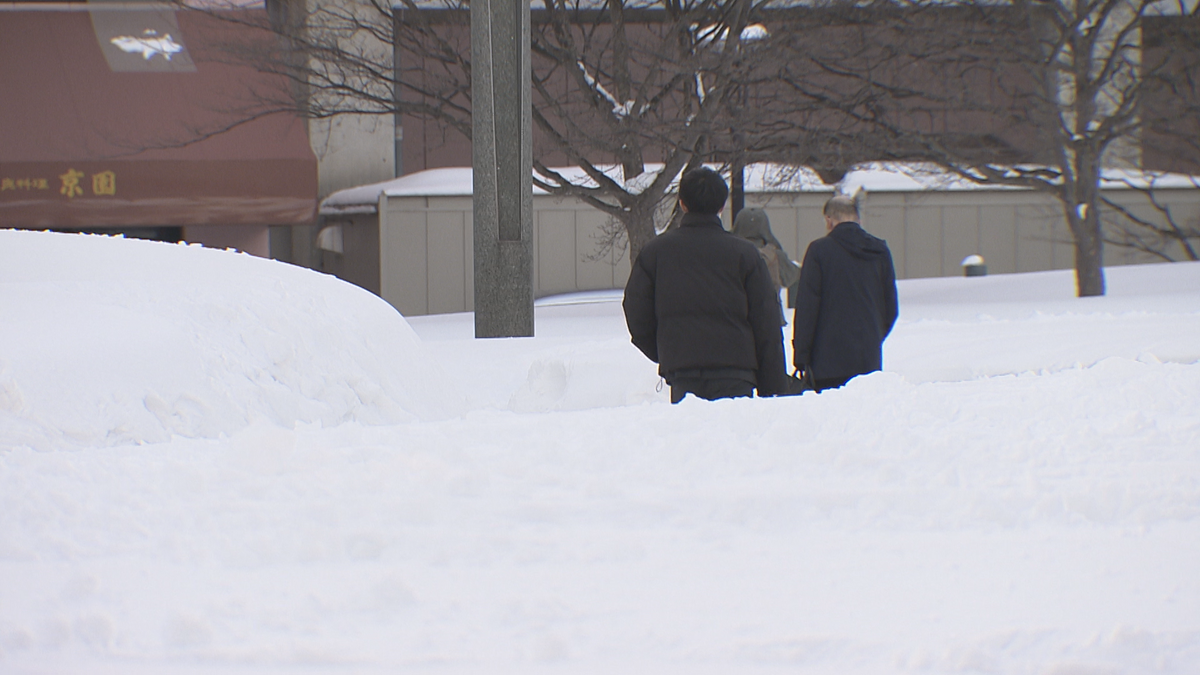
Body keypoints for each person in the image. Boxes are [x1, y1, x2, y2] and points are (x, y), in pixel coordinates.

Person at [623, 168, 791, 403]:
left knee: (691, 436)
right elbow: (766, 320)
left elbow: (636, 309)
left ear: (682, 204)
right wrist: (773, 386)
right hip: (737, 371)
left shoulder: (656, 253)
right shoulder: (745, 254)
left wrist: (665, 349)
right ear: (722, 206)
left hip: (683, 369)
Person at [792, 194, 898, 391]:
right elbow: (890, 307)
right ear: (858, 219)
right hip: (868, 360)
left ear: (829, 220)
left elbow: (808, 306)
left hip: (826, 362)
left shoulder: (819, 251)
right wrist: (872, 337)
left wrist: (802, 357)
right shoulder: (879, 250)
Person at [732, 207, 801, 324]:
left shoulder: (727, 251)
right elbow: (792, 277)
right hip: (770, 319)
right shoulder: (775, 255)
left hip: (734, 318)